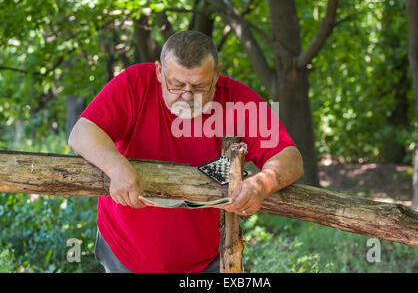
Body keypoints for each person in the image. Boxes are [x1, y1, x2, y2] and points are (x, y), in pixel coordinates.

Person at [68, 30, 304, 273]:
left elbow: (290, 158)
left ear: (217, 74)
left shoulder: (237, 100)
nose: (187, 96)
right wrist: (117, 167)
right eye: (177, 85)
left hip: (206, 261)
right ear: (159, 72)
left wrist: (262, 184)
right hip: (125, 251)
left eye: (200, 86)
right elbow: (82, 133)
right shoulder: (134, 83)